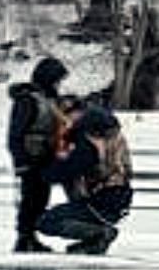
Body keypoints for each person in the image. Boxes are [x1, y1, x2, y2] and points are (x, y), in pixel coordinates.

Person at [37, 104, 133, 254]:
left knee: (46, 221)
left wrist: (41, 170)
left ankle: (100, 234)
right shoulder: (112, 135)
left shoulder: (88, 142)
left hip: (100, 203)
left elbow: (68, 169)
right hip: (117, 199)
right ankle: (93, 242)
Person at [7, 56, 69, 252]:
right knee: (30, 199)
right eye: (57, 79)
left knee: (41, 198)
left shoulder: (50, 99)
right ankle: (24, 238)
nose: (59, 84)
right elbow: (15, 133)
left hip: (46, 158)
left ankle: (31, 237)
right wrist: (20, 161)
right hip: (30, 158)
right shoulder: (28, 100)